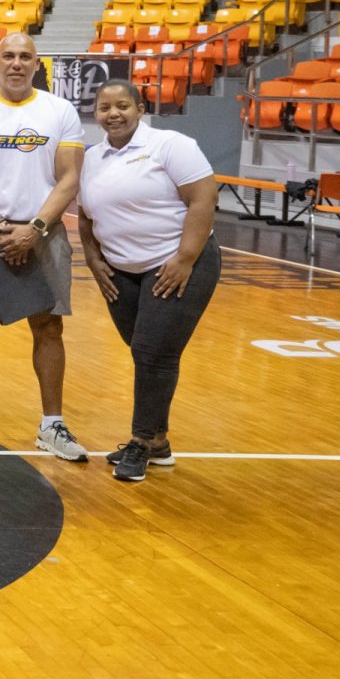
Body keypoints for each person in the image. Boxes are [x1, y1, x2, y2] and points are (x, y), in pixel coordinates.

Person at [0, 31, 86, 462]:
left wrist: (36, 228)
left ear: (36, 64)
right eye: (8, 56)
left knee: (49, 328)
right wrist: (1, 225)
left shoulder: (60, 111)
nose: (16, 63)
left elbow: (69, 178)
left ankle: (52, 425)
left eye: (25, 56)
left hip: (45, 232)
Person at [76, 79, 220, 484]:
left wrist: (185, 259)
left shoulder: (171, 145)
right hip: (120, 271)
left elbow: (204, 199)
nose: (113, 114)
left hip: (176, 265)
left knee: (152, 352)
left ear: (140, 109)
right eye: (105, 108)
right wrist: (93, 258)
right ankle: (158, 441)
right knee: (146, 353)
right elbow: (85, 216)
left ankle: (140, 443)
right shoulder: (91, 159)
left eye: (123, 106)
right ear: (96, 114)